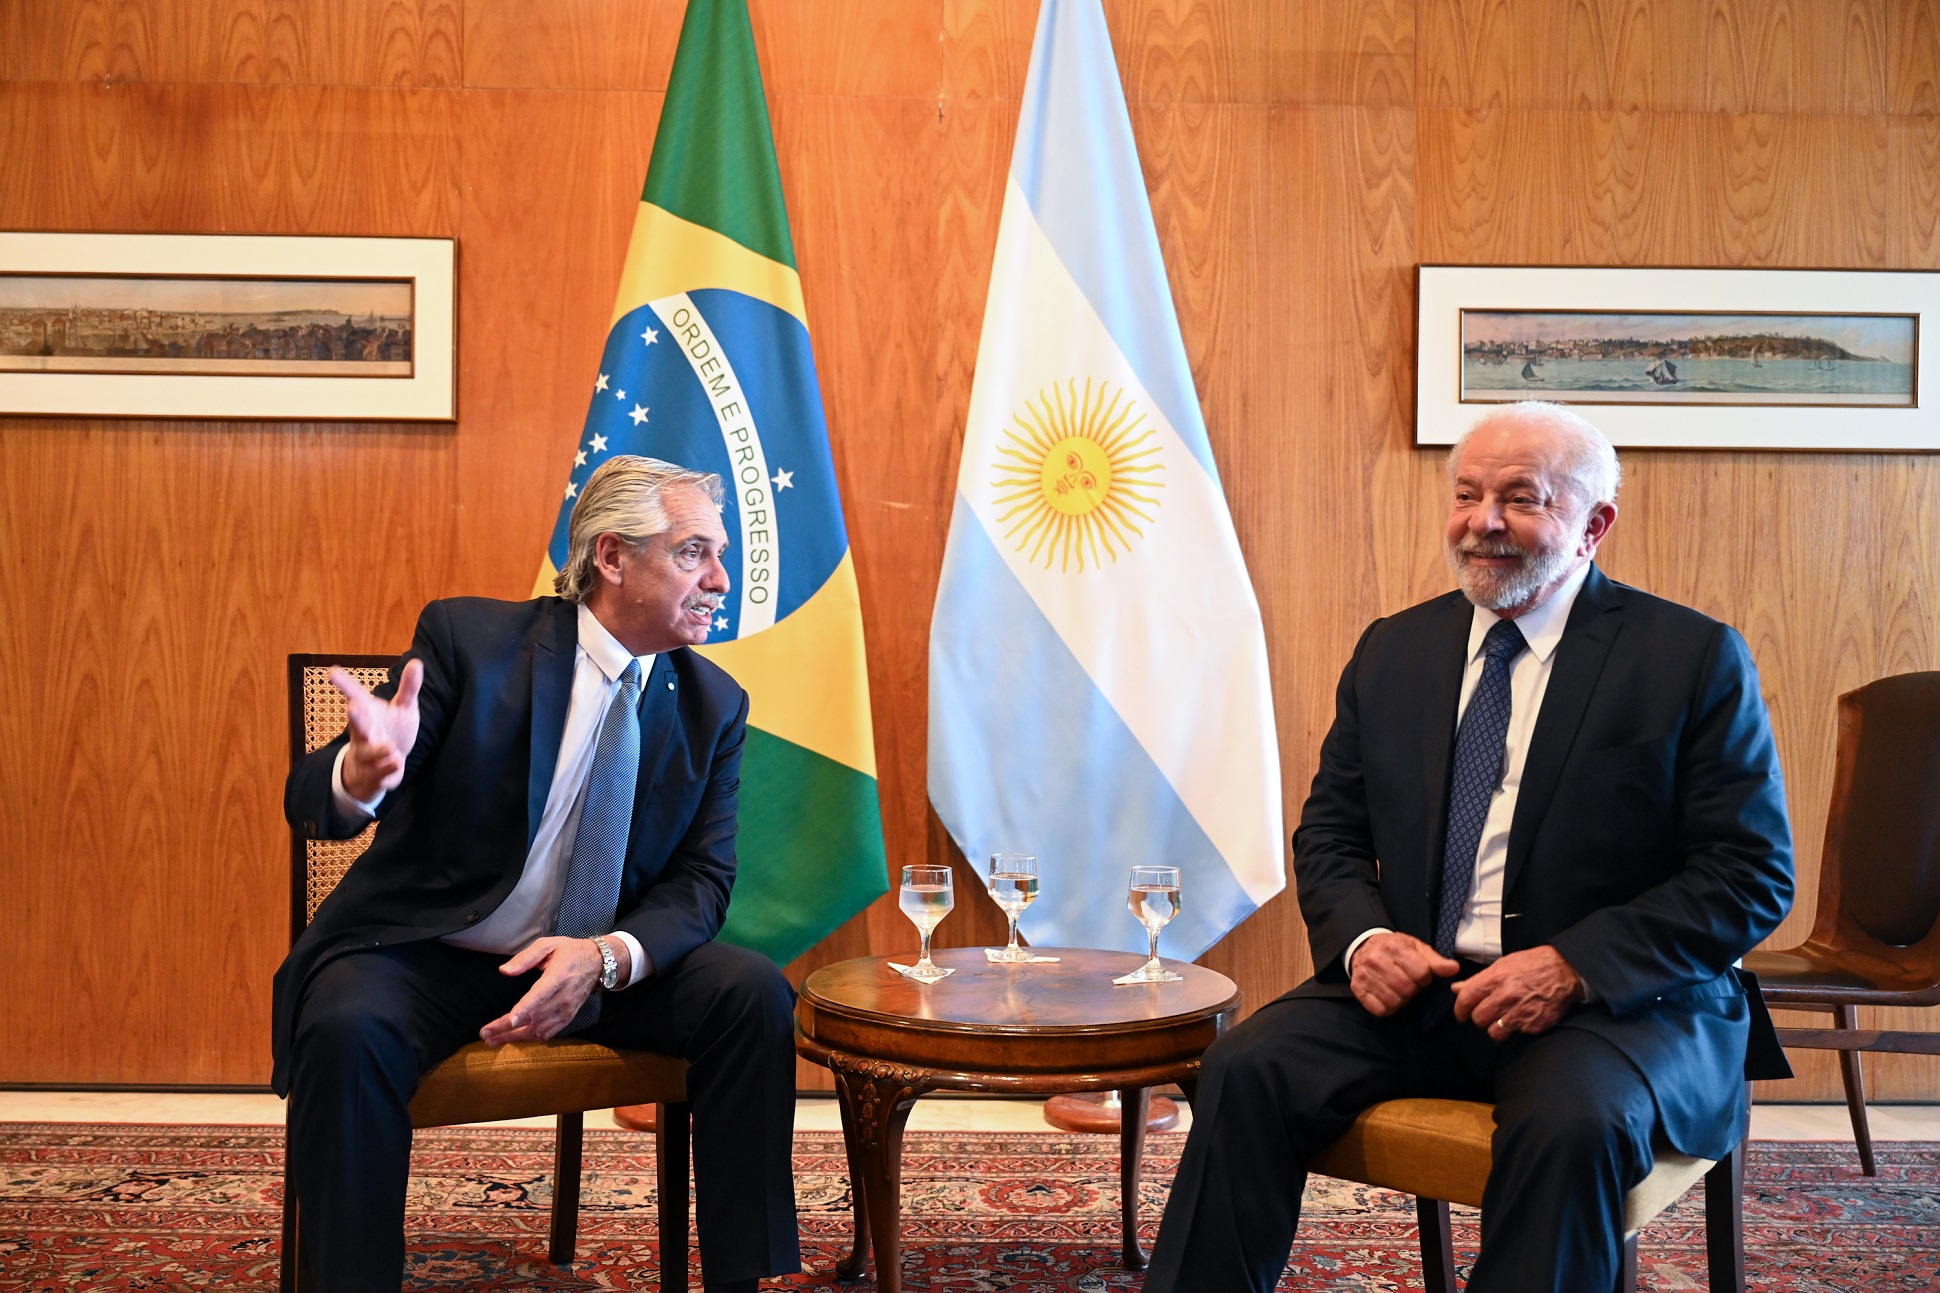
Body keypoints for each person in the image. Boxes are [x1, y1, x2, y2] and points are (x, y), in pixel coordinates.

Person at [1143, 401, 1795, 1292]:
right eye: (1468, 494)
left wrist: (1570, 964)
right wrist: (1364, 941)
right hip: (1424, 989)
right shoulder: (1394, 650)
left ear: (1593, 524)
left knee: (1572, 1125)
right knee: (1244, 1066)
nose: (1483, 522)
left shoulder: (1689, 657)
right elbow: (1331, 831)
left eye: (1521, 498)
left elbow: (1749, 874)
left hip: (1616, 1008)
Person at [273, 456, 800, 1293]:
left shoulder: (714, 703)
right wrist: (363, 771)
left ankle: (747, 1278)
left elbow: (702, 880)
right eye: (694, 551)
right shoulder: (470, 642)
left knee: (753, 993)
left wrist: (606, 956)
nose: (721, 578)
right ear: (614, 557)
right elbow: (312, 800)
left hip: (589, 964)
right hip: (432, 953)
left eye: (721, 553)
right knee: (345, 1027)